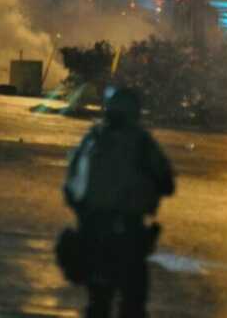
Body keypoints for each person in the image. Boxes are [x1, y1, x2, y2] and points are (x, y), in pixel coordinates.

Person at [63, 87, 175, 318]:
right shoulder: (141, 141)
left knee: (98, 301)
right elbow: (166, 182)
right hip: (128, 228)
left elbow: (71, 185)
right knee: (133, 299)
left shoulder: (93, 138)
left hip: (92, 226)